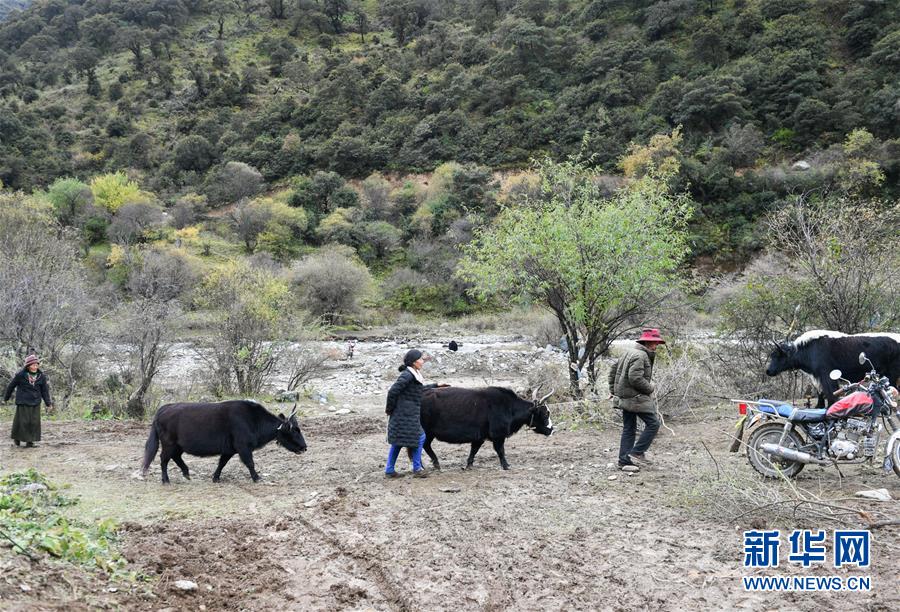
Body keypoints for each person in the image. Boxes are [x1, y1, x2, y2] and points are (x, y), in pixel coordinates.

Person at [384, 349, 447, 479]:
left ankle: (390, 470)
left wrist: (436, 385)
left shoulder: (413, 374)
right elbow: (392, 391)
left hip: (408, 412)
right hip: (404, 414)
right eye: (420, 359)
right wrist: (389, 409)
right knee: (420, 437)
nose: (422, 361)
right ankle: (417, 469)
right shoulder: (407, 375)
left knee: (398, 441)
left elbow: (418, 389)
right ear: (414, 362)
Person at [608, 329, 665, 472]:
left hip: (626, 397)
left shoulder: (629, 352)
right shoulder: (641, 355)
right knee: (653, 424)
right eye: (654, 342)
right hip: (635, 398)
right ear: (647, 342)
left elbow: (613, 370)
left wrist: (613, 390)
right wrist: (650, 388)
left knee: (629, 429)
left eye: (657, 343)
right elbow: (635, 378)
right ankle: (637, 452)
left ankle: (624, 461)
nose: (656, 345)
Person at [4, 354, 53, 448]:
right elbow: (11, 386)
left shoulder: (41, 376)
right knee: (22, 422)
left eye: (36, 364)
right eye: (33, 365)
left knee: (34, 422)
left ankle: (30, 442)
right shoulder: (21, 375)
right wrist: (6, 398)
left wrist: (48, 403)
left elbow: (44, 391)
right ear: (28, 366)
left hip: (35, 402)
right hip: (23, 402)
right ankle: (17, 439)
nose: (35, 366)